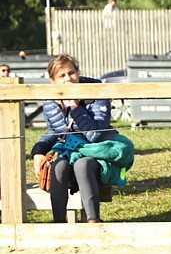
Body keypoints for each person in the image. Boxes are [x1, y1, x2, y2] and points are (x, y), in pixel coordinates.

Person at [30, 55, 119, 223]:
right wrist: (38, 151)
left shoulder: (97, 91)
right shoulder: (50, 101)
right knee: (59, 165)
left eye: (71, 73)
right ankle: (59, 223)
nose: (68, 79)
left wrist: (76, 107)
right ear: (53, 81)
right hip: (70, 150)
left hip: (96, 151)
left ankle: (93, 221)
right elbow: (55, 131)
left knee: (82, 164)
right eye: (61, 76)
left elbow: (96, 135)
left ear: (78, 74)